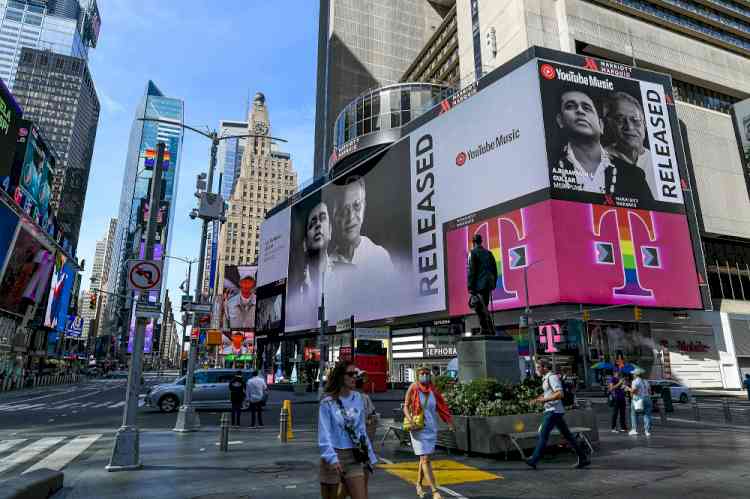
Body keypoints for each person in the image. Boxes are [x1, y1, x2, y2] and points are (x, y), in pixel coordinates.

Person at [551, 89, 652, 201]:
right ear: (560, 120)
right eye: (570, 106)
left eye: (586, 108)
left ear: (601, 125)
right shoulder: (549, 165)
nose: (580, 111)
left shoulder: (634, 176)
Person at [319, 360, 376, 499]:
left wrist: (369, 455)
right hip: (333, 456)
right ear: (340, 377)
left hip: (354, 456)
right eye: (350, 374)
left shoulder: (359, 399)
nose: (354, 377)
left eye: (356, 374)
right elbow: (324, 435)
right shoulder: (327, 402)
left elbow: (361, 430)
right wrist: (332, 459)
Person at [525, 358, 590, 470]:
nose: (537, 370)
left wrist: (544, 400)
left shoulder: (552, 377)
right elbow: (550, 393)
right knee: (568, 436)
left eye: (538, 367)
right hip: (555, 411)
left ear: (545, 367)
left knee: (543, 435)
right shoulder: (546, 378)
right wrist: (538, 399)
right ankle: (583, 457)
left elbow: (560, 394)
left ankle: (534, 459)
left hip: (553, 411)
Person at [403, 365, 454, 499]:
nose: (424, 375)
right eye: (422, 373)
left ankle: (419, 484)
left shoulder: (433, 391)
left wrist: (448, 422)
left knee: (424, 458)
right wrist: (410, 419)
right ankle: (434, 491)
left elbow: (442, 407)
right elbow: (406, 407)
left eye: (427, 373)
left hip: (431, 428)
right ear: (417, 375)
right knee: (425, 459)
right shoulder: (413, 388)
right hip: (418, 428)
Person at [330, 176, 393, 273]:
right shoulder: (327, 268)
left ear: (364, 207)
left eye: (357, 206)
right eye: (343, 209)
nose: (351, 217)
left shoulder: (380, 258)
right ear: (335, 215)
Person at [603, 92, 657, 200]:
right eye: (619, 120)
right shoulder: (600, 159)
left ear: (644, 125)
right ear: (609, 124)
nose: (629, 127)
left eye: (635, 120)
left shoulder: (658, 163)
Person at [467, 233, 498, 335]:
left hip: (479, 286)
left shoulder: (473, 253)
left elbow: (472, 271)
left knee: (479, 307)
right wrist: (493, 283)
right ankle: (488, 329)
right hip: (488, 284)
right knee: (484, 306)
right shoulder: (489, 253)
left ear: (473, 242)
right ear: (481, 241)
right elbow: (494, 269)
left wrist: (470, 287)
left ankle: (486, 329)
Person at [628, 367, 652, 436]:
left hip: (638, 399)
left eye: (633, 374)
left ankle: (634, 429)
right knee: (647, 415)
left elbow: (634, 391)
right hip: (647, 398)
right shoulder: (646, 381)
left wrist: (628, 389)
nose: (633, 375)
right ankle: (647, 431)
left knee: (634, 414)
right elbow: (650, 391)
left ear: (636, 374)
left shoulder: (635, 381)